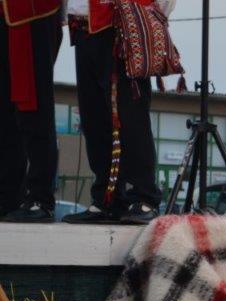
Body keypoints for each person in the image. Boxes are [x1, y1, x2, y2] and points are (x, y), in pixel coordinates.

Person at [62, 0, 167, 225]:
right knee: (94, 119)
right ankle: (107, 198)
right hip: (83, 26)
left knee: (130, 115)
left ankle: (144, 194)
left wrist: (147, 16)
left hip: (120, 23)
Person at [0, 0, 62, 223]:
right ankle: (8, 197)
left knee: (33, 105)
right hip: (7, 14)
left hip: (32, 12)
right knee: (6, 115)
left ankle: (40, 197)